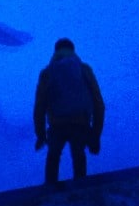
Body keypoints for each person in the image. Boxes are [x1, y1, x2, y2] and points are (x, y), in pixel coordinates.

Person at [34, 38, 105, 184]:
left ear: (55, 51)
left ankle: (50, 192)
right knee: (78, 155)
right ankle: (81, 189)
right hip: (80, 122)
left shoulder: (47, 72)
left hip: (56, 124)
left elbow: (40, 106)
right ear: (73, 50)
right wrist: (95, 136)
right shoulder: (84, 69)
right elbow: (99, 103)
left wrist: (41, 135)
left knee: (53, 156)